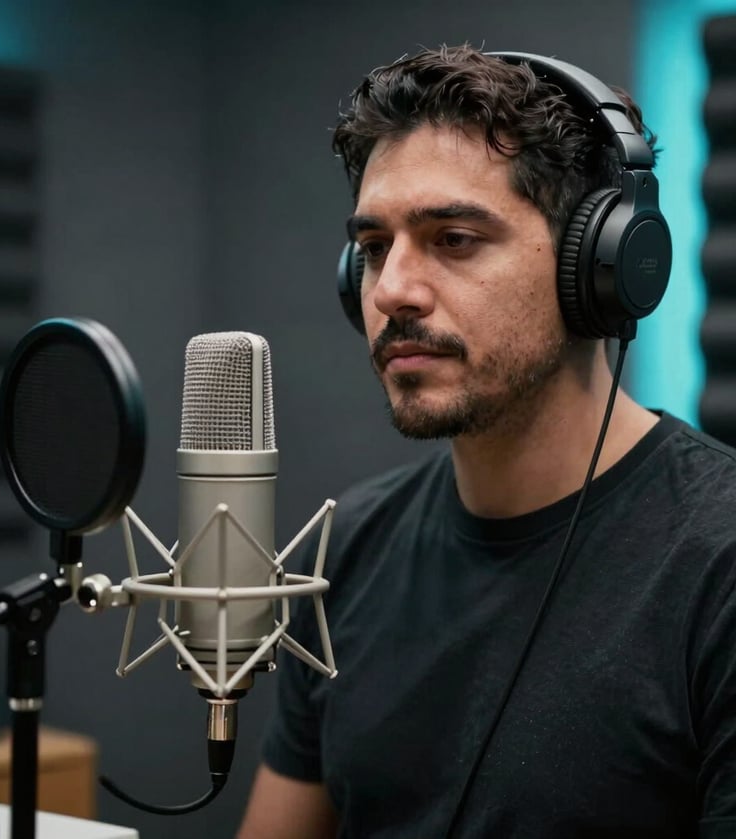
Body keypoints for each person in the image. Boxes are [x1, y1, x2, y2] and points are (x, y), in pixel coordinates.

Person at [237, 45, 736, 838]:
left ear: (601, 266)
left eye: (455, 238)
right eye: (373, 249)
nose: (393, 289)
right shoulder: (347, 552)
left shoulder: (717, 563)